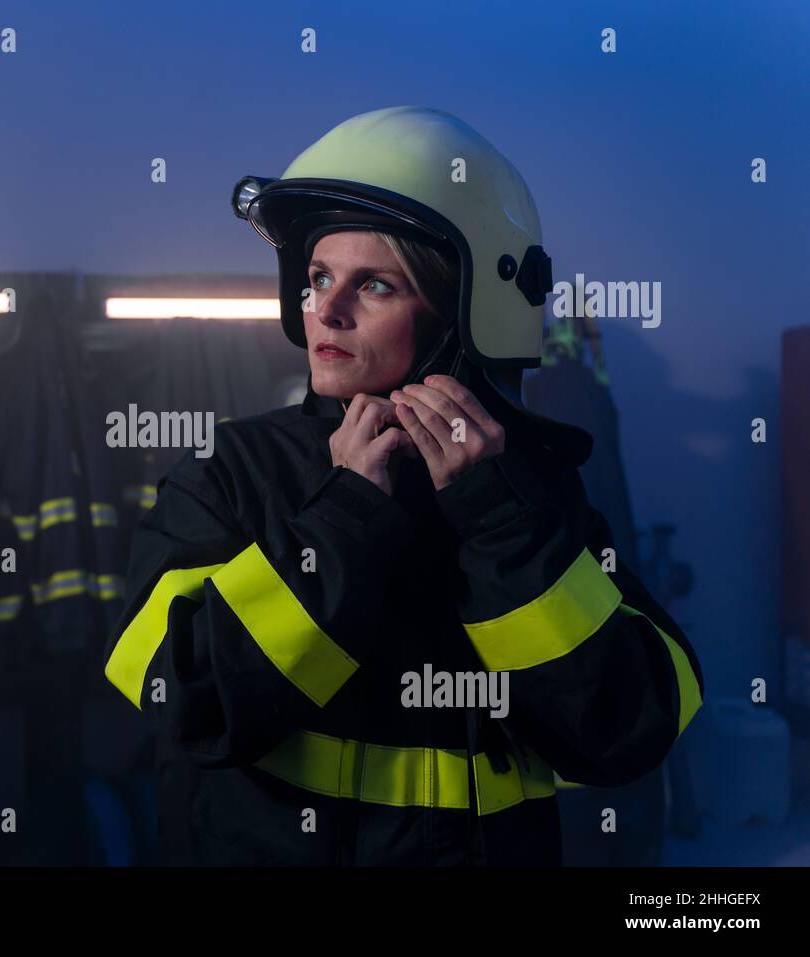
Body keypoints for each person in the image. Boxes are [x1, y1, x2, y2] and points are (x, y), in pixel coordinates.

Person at [101, 106, 704, 865]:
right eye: (318, 276)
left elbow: (632, 725)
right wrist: (343, 517)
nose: (326, 308)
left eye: (375, 285)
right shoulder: (235, 472)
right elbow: (181, 698)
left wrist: (498, 523)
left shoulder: (528, 493)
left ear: (462, 314)